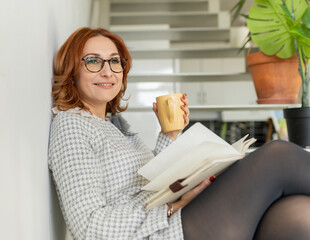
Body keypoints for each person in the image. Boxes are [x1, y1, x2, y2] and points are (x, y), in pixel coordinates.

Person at [48, 27, 310, 240]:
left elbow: (144, 184)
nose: (107, 70)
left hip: (173, 222)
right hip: (164, 232)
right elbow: (90, 227)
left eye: (114, 61)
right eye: (93, 61)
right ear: (72, 69)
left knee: (297, 216)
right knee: (277, 155)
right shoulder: (73, 125)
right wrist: (173, 207)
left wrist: (169, 134)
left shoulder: (111, 123)